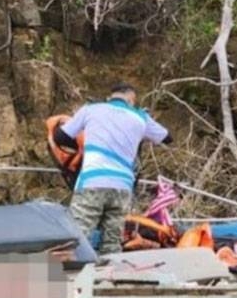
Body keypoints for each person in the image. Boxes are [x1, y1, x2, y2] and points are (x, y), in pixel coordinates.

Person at [56, 83, 171, 254]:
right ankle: (108, 275)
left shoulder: (91, 109)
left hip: (92, 181)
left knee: (77, 236)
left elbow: (61, 137)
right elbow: (167, 138)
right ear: (131, 100)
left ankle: (70, 274)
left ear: (110, 97)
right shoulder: (141, 118)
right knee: (112, 241)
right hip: (122, 187)